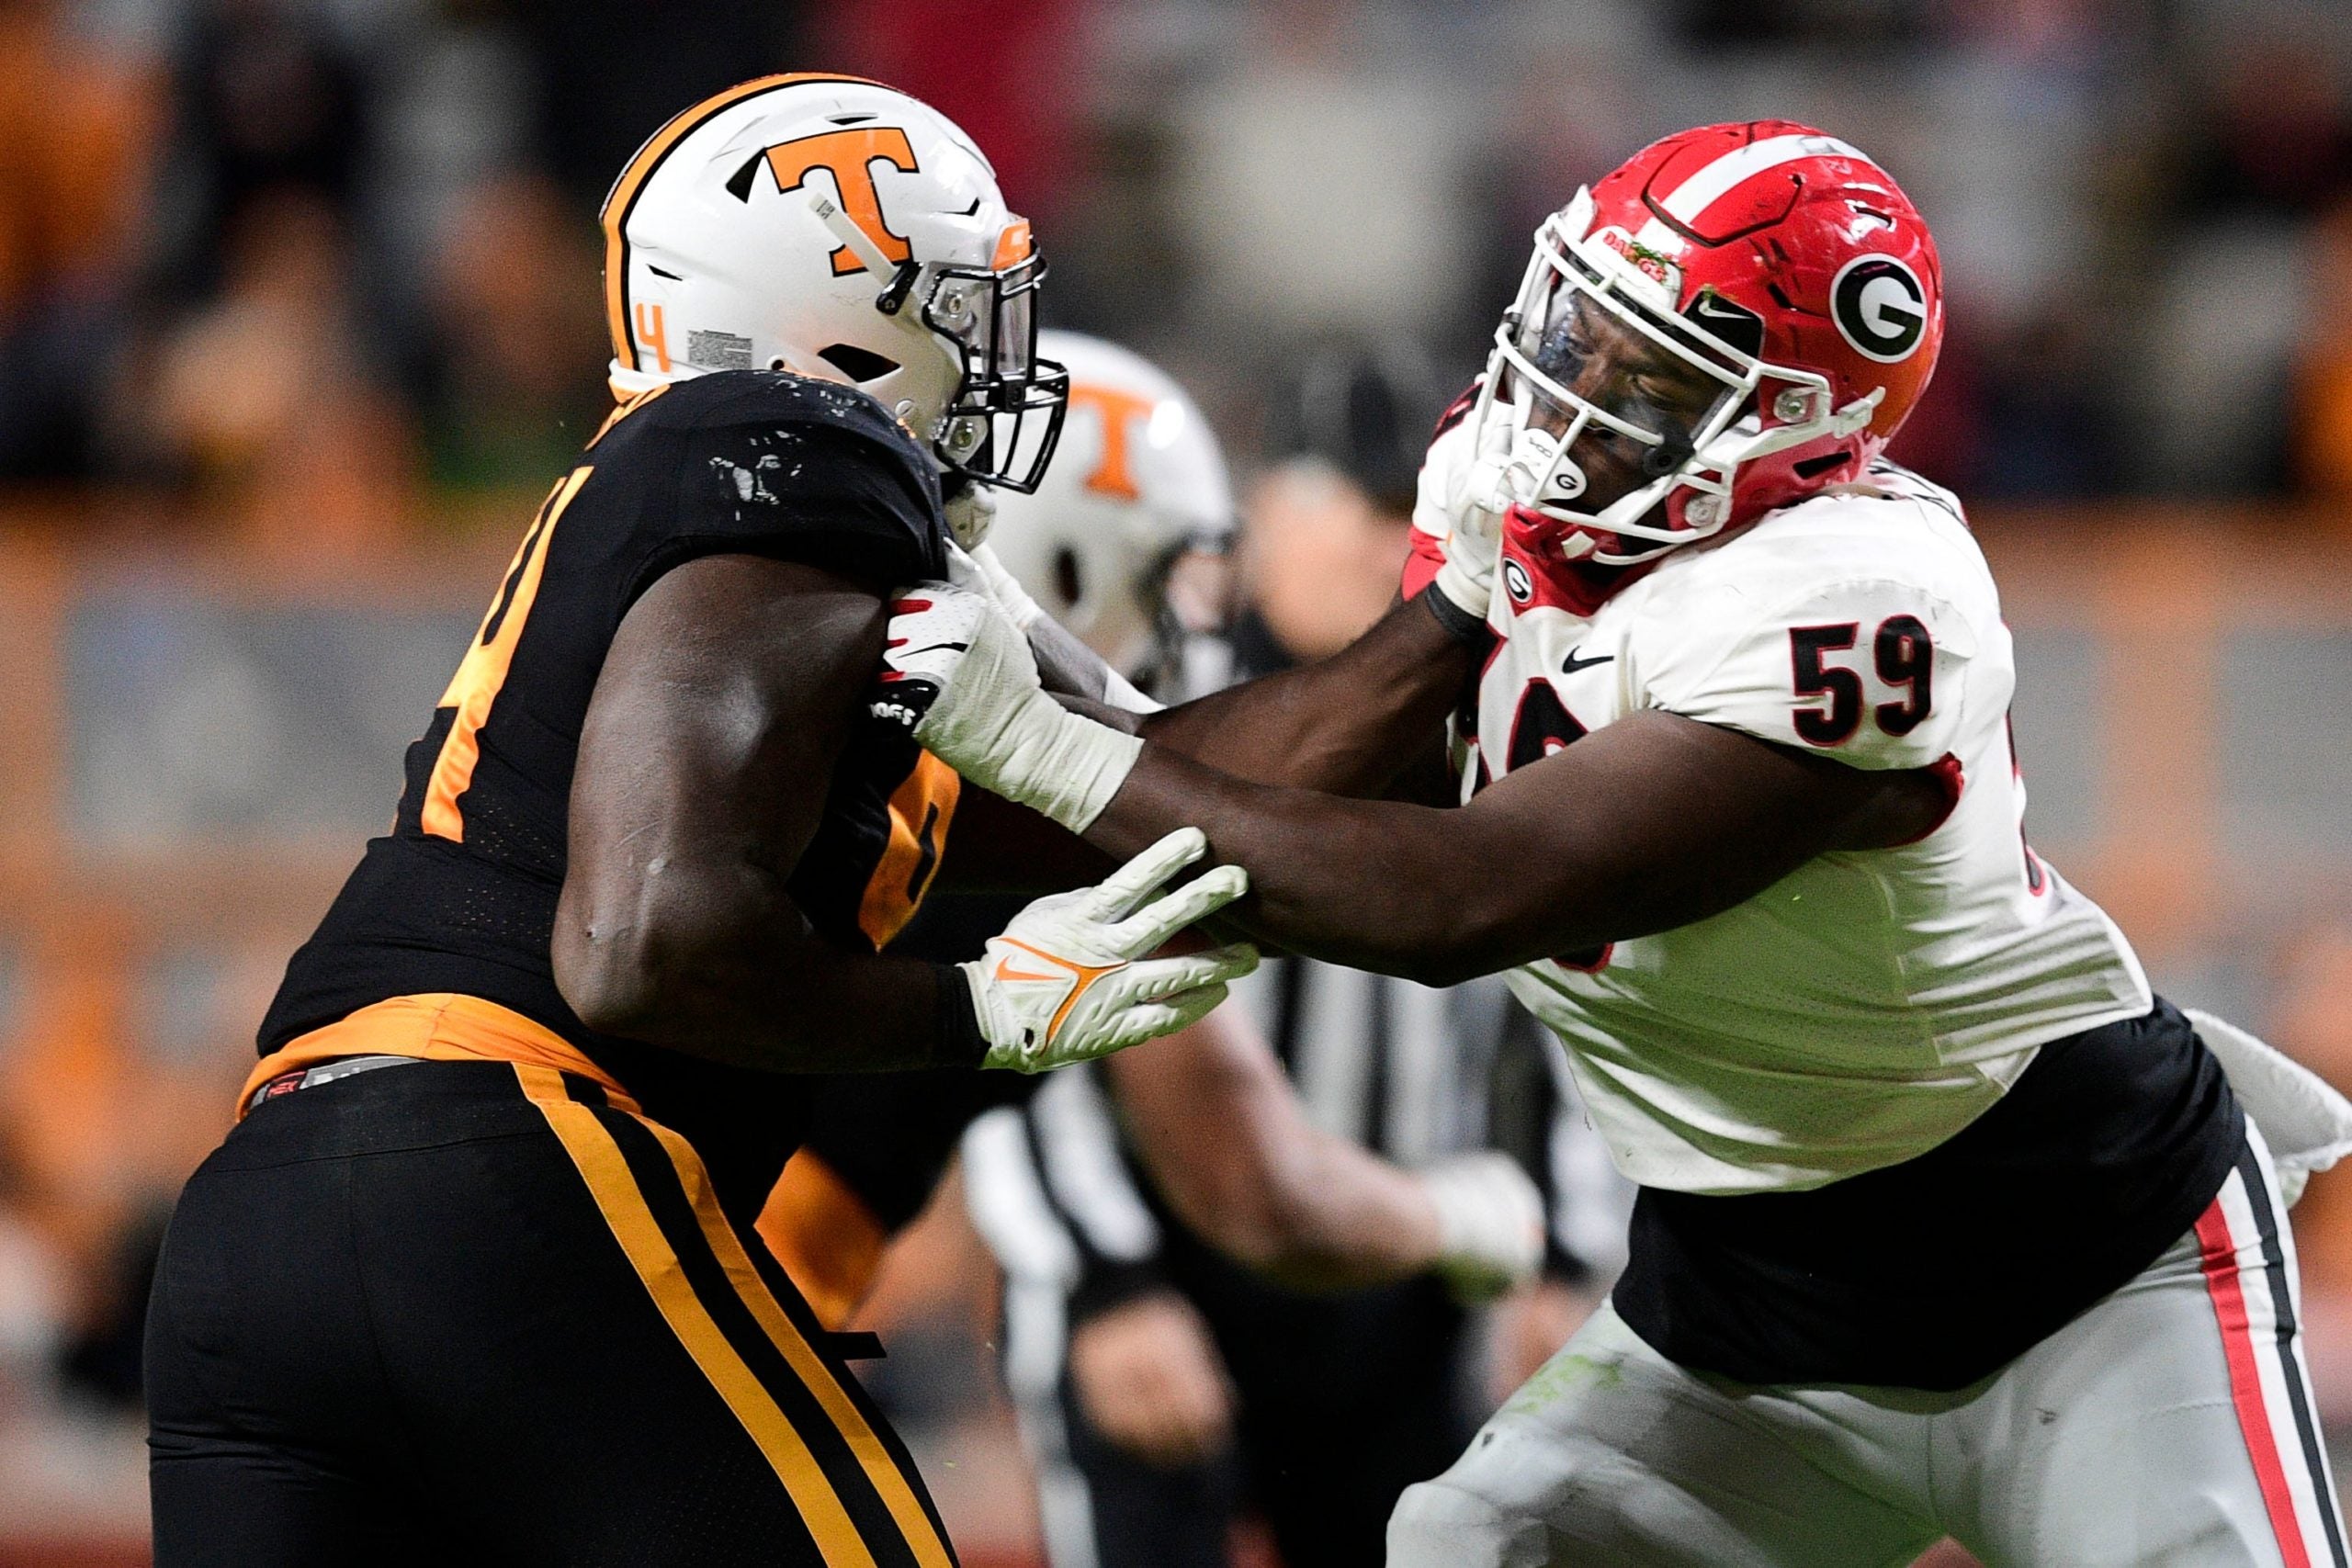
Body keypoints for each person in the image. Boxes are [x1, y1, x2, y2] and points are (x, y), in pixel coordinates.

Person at [878, 122, 2352, 1565]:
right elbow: (1317, 764)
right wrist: (1015, 686)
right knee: (1469, 1547)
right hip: (1748, 1300)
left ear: (1793, 429)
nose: (1574, 393)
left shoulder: (1861, 595)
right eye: (1581, 329)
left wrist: (1047, 745)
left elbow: (1461, 898)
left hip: (2075, 1264)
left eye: (1651, 376)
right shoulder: (1514, 491)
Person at [141, 75, 1258, 1568]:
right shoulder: (788, 466)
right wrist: (978, 1011)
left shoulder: (701, 535)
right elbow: (642, 949)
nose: (998, 361)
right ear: (835, 327)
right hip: (519, 1180)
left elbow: (1196, 786)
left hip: (260, 1210)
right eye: (961, 309)